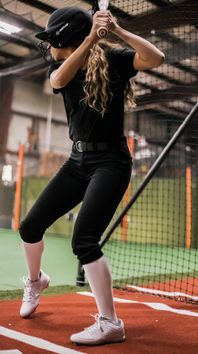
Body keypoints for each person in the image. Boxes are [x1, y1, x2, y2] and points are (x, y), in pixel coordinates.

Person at [19, 6, 165, 346]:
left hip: (111, 162)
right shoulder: (61, 67)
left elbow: (155, 58)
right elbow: (58, 80)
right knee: (29, 227)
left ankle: (110, 322)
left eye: (52, 41)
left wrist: (116, 31)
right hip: (77, 160)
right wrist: (89, 40)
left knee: (83, 240)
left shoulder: (114, 62)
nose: (48, 47)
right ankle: (36, 280)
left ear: (63, 40)